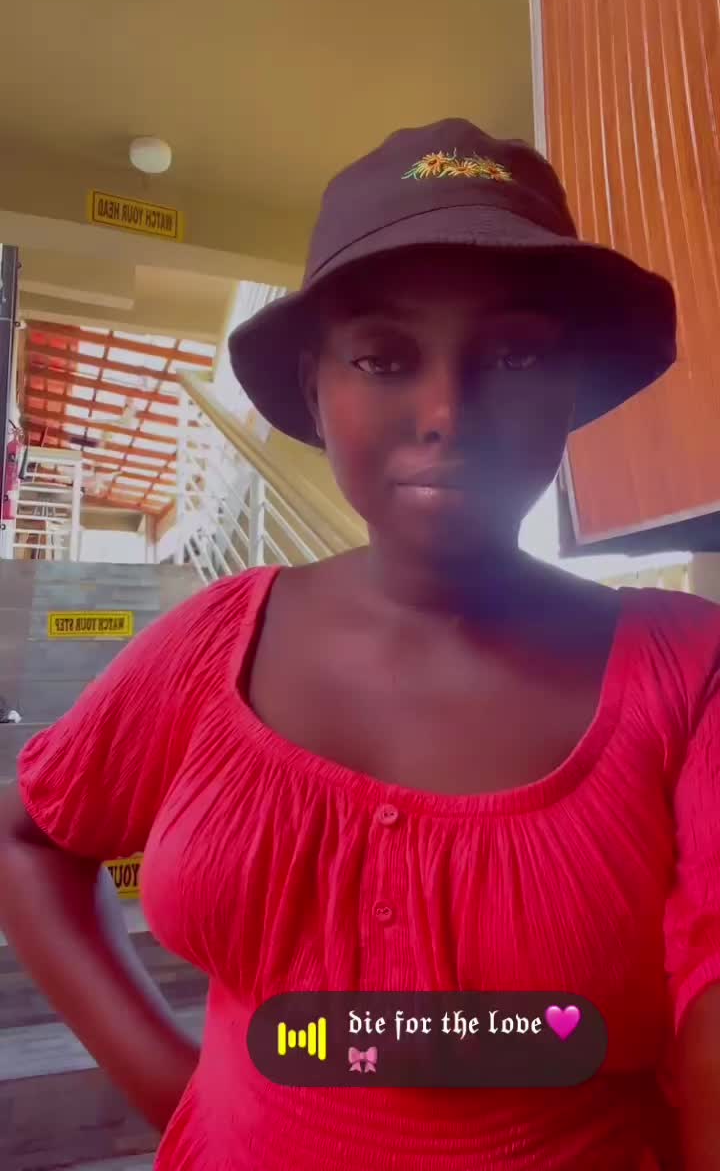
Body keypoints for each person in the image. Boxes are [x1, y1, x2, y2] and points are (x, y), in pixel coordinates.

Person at [0, 119, 717, 1171]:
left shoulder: (690, 672)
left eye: (516, 353)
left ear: (571, 386)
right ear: (315, 391)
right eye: (383, 357)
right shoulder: (215, 641)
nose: (445, 412)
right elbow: (30, 836)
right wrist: (176, 1090)